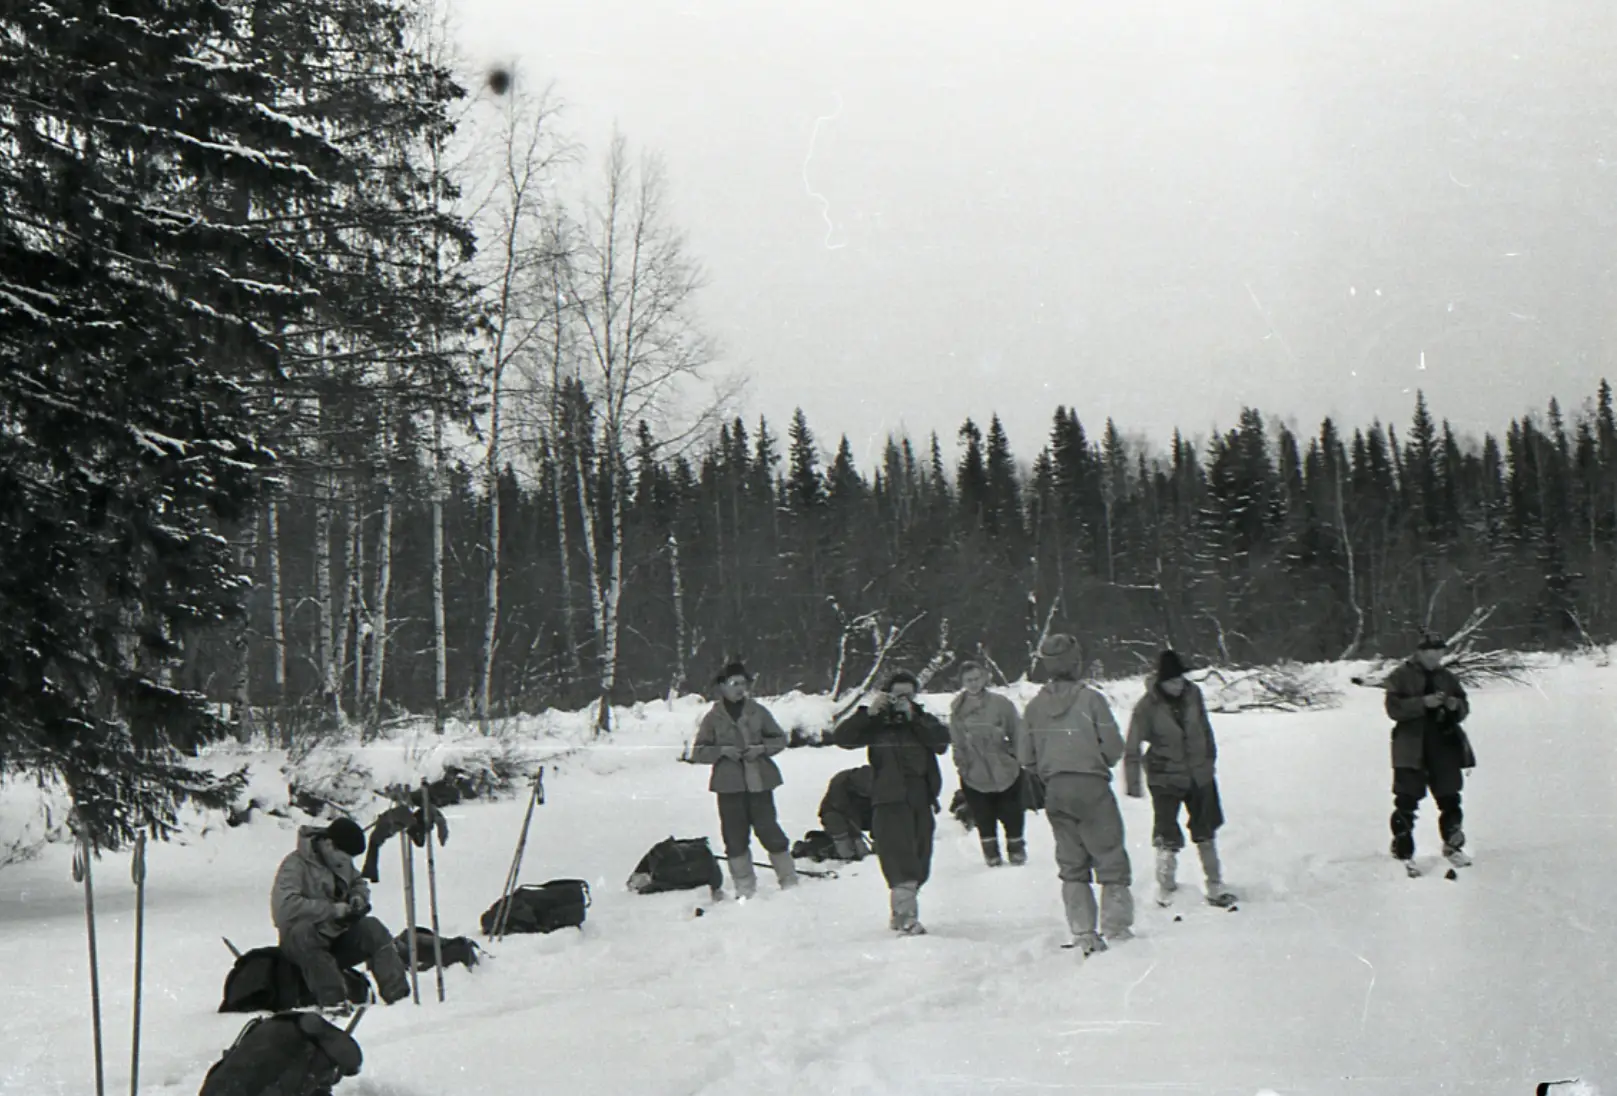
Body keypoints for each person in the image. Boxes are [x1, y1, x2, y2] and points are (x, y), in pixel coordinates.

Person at [1019, 634, 1134, 955]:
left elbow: (1025, 756)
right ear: (1075, 661)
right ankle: (1117, 929)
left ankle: (1083, 931)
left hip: (1055, 790)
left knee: (1071, 864)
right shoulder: (1091, 700)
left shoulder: (1034, 707)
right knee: (1110, 856)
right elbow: (1113, 747)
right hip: (1092, 786)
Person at [831, 670, 952, 935]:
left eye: (908, 694)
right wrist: (869, 714)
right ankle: (906, 917)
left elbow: (942, 742)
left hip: (920, 794)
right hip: (888, 796)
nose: (902, 700)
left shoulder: (921, 719)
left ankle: (901, 912)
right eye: (897, 695)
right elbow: (842, 738)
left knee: (921, 857)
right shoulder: (876, 724)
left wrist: (915, 718)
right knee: (899, 858)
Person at [1124, 649, 1237, 909]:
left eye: (1180, 680)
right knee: (1166, 834)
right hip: (1165, 778)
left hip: (1199, 774)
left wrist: (1209, 760)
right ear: (1161, 681)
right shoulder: (1146, 706)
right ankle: (1166, 888)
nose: (1177, 685)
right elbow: (1132, 746)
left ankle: (1215, 885)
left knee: (1206, 829)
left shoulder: (1193, 694)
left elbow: (1204, 728)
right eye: (1171, 681)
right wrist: (1133, 784)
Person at [272, 817, 411, 1014]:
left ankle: (399, 997)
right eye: (344, 858)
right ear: (329, 845)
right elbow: (283, 909)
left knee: (372, 928)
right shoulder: (294, 865)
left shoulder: (341, 861)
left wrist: (357, 898)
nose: (346, 864)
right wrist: (332, 910)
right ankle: (334, 1004)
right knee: (305, 932)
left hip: (337, 935)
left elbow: (358, 883)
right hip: (300, 943)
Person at [688, 660, 799, 898]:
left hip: (759, 782)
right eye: (734, 683)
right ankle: (745, 887)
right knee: (734, 835)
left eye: (744, 684)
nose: (740, 688)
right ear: (722, 687)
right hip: (728, 786)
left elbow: (779, 739)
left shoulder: (758, 711)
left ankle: (789, 880)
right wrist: (722, 751)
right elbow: (698, 753)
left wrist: (760, 749)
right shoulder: (712, 717)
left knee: (769, 830)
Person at [1383, 631, 1474, 871]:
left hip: (1444, 746)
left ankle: (1453, 846)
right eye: (1431, 651)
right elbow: (1393, 709)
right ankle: (1403, 851)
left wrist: (1456, 706)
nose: (1436, 656)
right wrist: (1423, 703)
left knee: (1450, 797)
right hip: (1410, 747)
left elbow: (1464, 707)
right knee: (1406, 800)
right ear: (1419, 652)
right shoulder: (1399, 676)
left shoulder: (1448, 677)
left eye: (1440, 651)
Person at [948, 660, 1029, 866]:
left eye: (976, 678)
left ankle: (1016, 849)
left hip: (1004, 768)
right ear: (962, 682)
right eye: (968, 680)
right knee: (983, 815)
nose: (973, 683)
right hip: (975, 771)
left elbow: (1018, 732)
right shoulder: (958, 709)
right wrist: (962, 765)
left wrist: (1017, 758)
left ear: (984, 678)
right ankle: (991, 853)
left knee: (1012, 812)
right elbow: (956, 741)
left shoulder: (1001, 704)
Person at [818, 765, 875, 860]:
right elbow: (848, 813)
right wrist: (857, 839)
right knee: (835, 820)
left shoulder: (880, 783)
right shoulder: (840, 784)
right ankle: (845, 853)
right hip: (838, 813)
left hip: (864, 814)